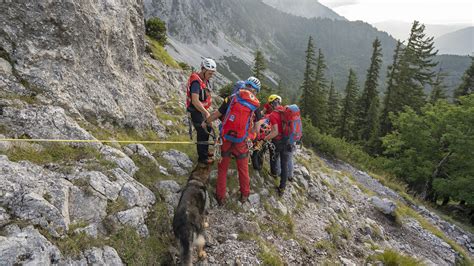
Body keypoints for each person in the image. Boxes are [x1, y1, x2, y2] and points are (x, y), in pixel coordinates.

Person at [203, 77, 263, 205]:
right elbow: (257, 129)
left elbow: (217, 114)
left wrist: (206, 122)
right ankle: (245, 195)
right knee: (243, 169)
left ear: (245, 85)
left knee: (223, 168)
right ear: (256, 91)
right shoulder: (256, 105)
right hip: (241, 141)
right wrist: (250, 135)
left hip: (226, 139)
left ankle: (220, 197)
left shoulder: (231, 98)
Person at [186, 58, 216, 164]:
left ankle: (205, 151)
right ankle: (202, 158)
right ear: (203, 70)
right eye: (209, 72)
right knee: (202, 130)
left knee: (207, 127)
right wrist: (206, 112)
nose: (211, 75)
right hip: (195, 110)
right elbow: (195, 100)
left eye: (212, 73)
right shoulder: (195, 81)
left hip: (201, 110)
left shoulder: (205, 80)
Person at [263, 94, 293, 196]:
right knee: (284, 165)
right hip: (288, 141)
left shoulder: (273, 115)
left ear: (271, 104)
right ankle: (282, 188)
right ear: (279, 102)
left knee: (273, 156)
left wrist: (264, 138)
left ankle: (274, 173)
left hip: (278, 141)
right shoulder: (286, 111)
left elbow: (275, 132)